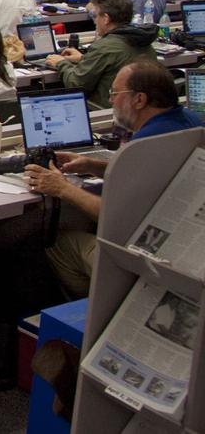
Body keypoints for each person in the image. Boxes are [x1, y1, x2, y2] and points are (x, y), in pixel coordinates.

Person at [25, 61, 202, 297]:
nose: (110, 100)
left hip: (146, 260)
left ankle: (97, 307)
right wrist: (92, 165)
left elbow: (113, 214)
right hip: (187, 247)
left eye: (115, 94)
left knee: (56, 242)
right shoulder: (191, 123)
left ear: (139, 100)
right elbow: (151, 172)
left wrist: (62, 188)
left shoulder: (145, 145)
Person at [45, 0, 156, 107]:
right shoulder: (144, 40)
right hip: (138, 109)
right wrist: (84, 58)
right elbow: (116, 61)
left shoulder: (104, 47)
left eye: (96, 15)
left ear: (106, 18)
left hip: (105, 111)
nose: (95, 21)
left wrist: (61, 63)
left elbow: (76, 85)